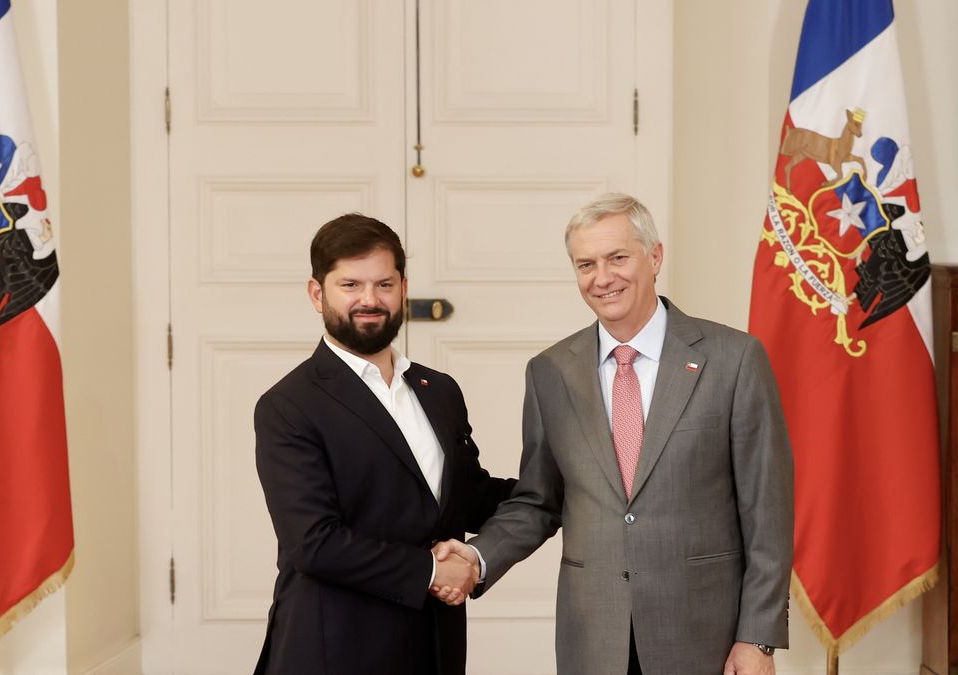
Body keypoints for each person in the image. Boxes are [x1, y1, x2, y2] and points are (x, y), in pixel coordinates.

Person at [434, 193, 794, 675]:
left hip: (705, 636)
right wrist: (478, 557)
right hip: (594, 636)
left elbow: (766, 512)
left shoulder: (734, 359)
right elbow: (539, 500)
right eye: (586, 264)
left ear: (655, 256)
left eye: (617, 258)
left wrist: (758, 639)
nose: (602, 278)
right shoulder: (550, 372)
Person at [253, 213, 516, 675]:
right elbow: (314, 543)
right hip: (333, 648)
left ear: (403, 288)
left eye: (384, 284)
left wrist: (567, 487)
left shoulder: (440, 390)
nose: (369, 300)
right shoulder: (288, 405)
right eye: (350, 285)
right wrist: (433, 572)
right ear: (318, 293)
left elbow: (469, 498)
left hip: (433, 644)